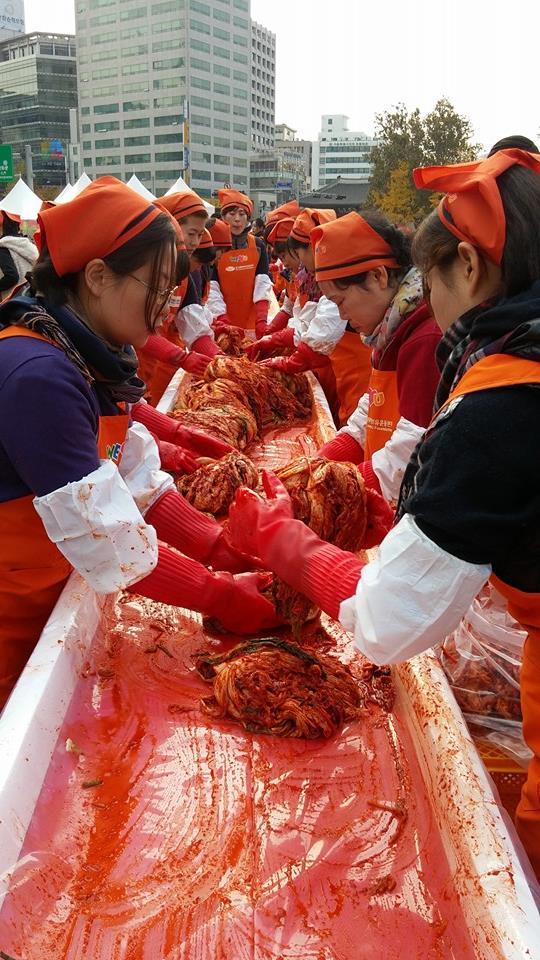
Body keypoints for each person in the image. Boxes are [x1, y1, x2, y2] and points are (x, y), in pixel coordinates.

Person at [226, 149, 540, 876]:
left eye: (428, 280)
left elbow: (388, 622)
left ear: (466, 264)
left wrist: (286, 544)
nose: (425, 300)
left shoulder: (502, 401)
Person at [0, 177, 279, 708]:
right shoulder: (38, 374)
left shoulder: (89, 356)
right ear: (99, 276)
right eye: (155, 288)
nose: (165, 308)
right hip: (10, 624)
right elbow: (105, 538)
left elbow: (133, 479)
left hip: (52, 601)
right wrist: (216, 592)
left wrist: (221, 549)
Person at [314, 210, 441, 503]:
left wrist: (334, 493)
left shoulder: (424, 337)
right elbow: (372, 409)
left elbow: (411, 454)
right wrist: (325, 457)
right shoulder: (390, 328)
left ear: (378, 276)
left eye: (341, 301)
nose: (341, 315)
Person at [256, 209, 373, 426]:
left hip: (355, 368)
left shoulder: (336, 278)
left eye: (295, 254)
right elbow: (303, 320)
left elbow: (322, 329)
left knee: (356, 421)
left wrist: (289, 361)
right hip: (339, 365)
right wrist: (271, 338)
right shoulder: (310, 279)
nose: (296, 262)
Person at [207, 188, 272, 337]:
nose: (237, 219)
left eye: (242, 214)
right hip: (222, 322)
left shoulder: (257, 245)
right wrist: (222, 320)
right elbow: (212, 287)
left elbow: (262, 281)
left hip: (252, 323)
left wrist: (262, 319)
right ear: (223, 217)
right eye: (232, 213)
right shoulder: (215, 247)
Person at [0, 211, 38, 300]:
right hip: (32, 294)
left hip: (15, 299)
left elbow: (12, 277)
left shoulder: (2, 247)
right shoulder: (25, 244)